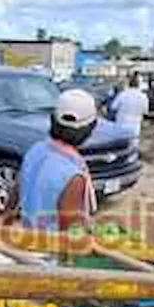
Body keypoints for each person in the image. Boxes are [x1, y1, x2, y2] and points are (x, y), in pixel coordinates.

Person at [12, 88, 97, 231]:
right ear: (91, 128)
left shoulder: (35, 150)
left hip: (28, 238)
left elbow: (15, 194)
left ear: (52, 119)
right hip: (50, 248)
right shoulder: (73, 175)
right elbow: (70, 234)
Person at [109, 73, 149, 140]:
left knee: (119, 142)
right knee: (133, 142)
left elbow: (113, 107)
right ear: (139, 85)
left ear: (129, 84)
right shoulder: (144, 97)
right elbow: (145, 111)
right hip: (135, 124)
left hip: (121, 122)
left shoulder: (122, 94)